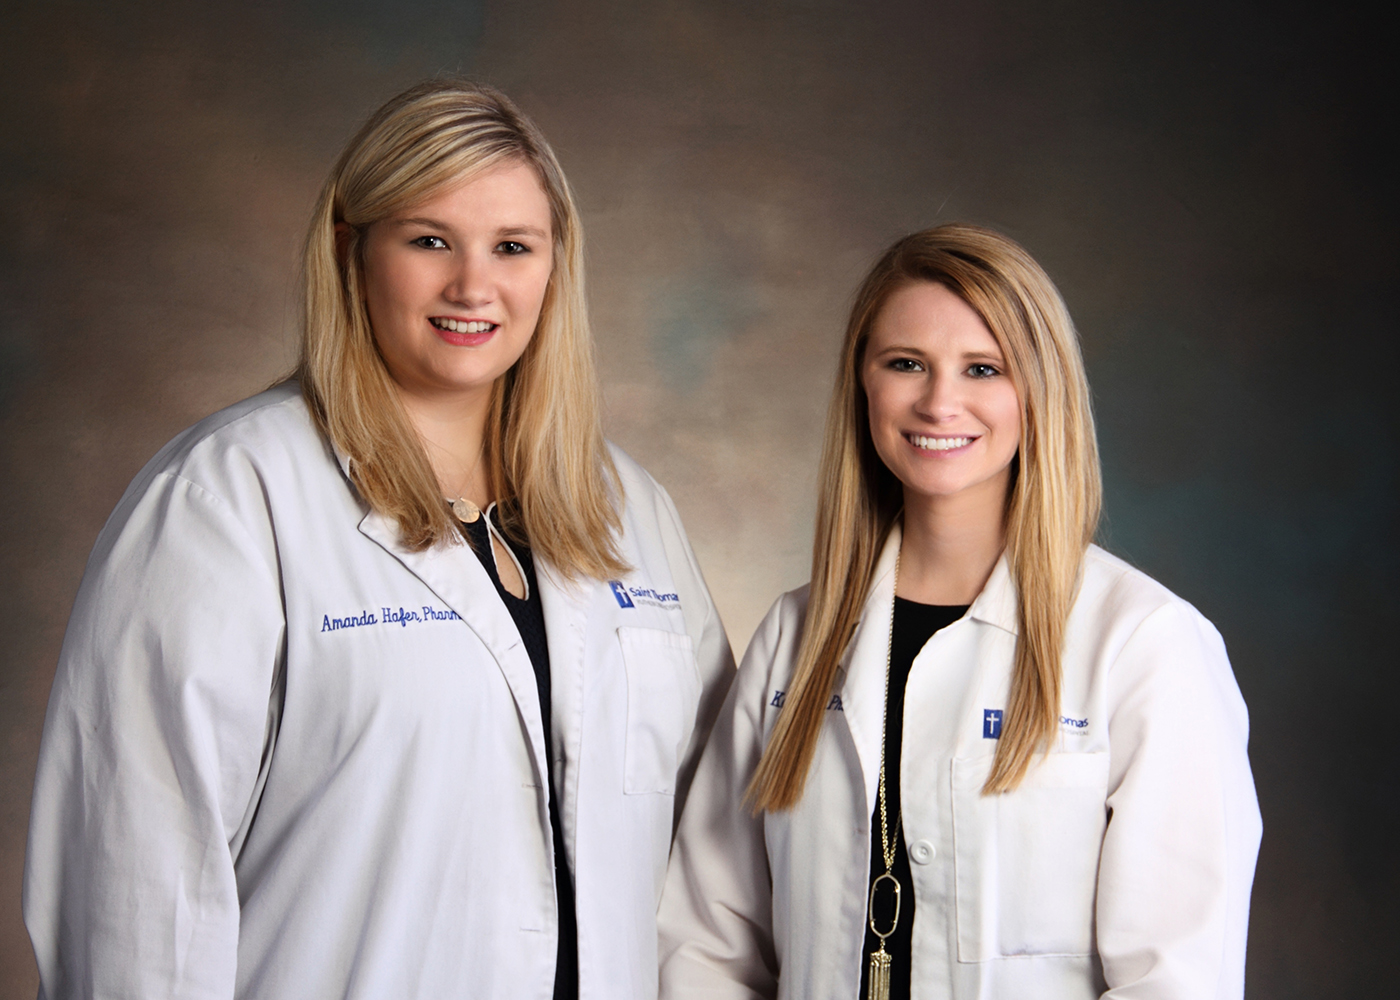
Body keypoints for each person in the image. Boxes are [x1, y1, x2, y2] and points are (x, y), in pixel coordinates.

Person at [24, 79, 734, 1000]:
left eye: (513, 246)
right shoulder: (227, 497)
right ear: (349, 250)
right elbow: (136, 883)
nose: (473, 286)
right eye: (429, 240)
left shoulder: (630, 509)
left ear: (555, 267)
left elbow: (718, 866)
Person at [657, 224, 1261, 1000]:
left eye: (983, 368)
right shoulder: (794, 639)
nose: (940, 402)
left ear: (1038, 391)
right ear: (864, 385)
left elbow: (1176, 979)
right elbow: (706, 945)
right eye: (905, 364)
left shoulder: (1144, 644)